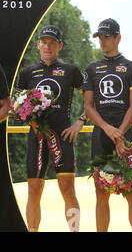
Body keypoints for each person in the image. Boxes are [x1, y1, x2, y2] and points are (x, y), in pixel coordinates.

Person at [16, 25, 85, 232]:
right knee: (34, 190)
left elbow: (91, 99)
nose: (47, 46)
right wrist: (30, 120)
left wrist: (80, 121)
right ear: (38, 45)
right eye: (44, 42)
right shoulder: (27, 72)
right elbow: (17, 104)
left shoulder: (71, 71)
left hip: (63, 135)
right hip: (36, 136)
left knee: (68, 189)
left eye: (52, 43)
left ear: (60, 46)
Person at [83, 18, 132, 232]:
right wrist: (107, 129)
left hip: (125, 133)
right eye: (100, 37)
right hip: (101, 134)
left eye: (106, 37)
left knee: (131, 191)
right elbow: (88, 107)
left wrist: (120, 135)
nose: (102, 41)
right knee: (101, 192)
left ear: (118, 37)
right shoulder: (91, 68)